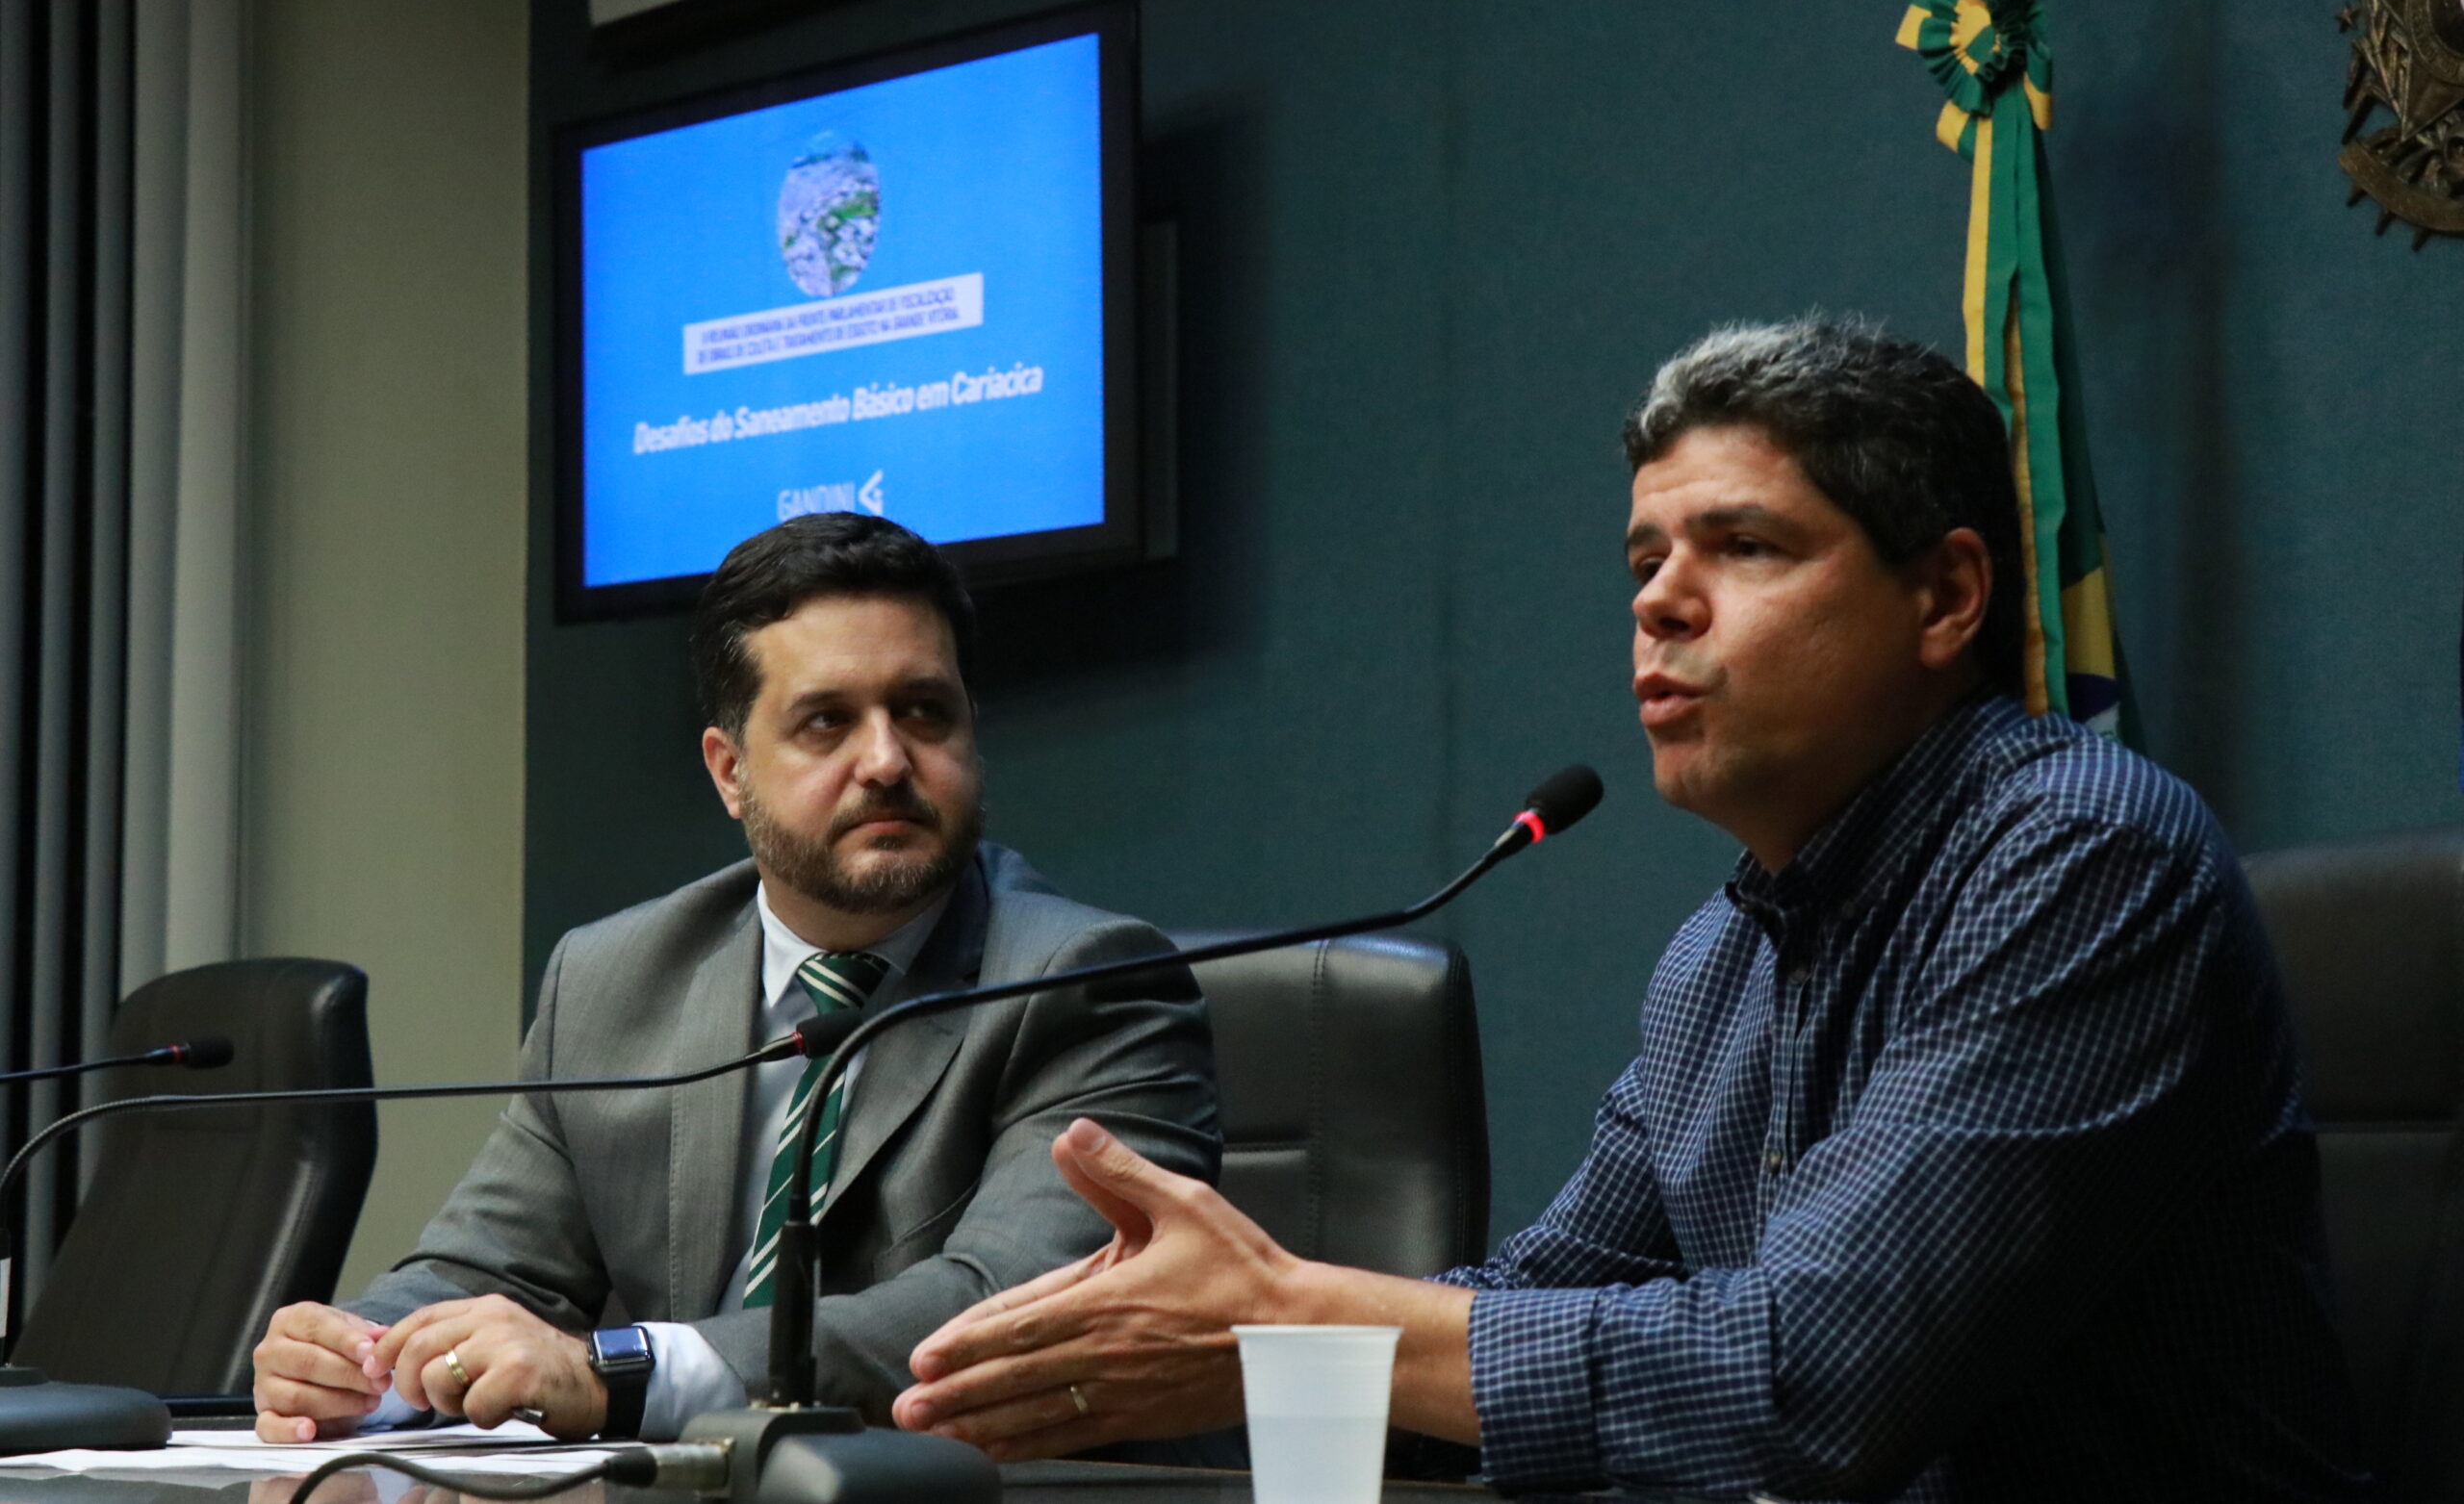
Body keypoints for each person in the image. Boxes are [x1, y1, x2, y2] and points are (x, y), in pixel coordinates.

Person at [888, 320, 2374, 1501]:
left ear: (1945, 597)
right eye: (1645, 558)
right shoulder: (1720, 957)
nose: (1660, 601)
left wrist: (1289, 1320)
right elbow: (1541, 1300)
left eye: (1744, 546)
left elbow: (1815, 1377)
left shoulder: (2084, 852)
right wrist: (1156, 1347)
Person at [248, 513, 1219, 1443]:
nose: (887, 761)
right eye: (826, 722)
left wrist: (623, 1374)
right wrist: (360, 1359)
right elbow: (484, 1268)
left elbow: (1007, 1308)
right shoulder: (612, 980)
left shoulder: (1086, 983)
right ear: (728, 772)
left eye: (924, 711)